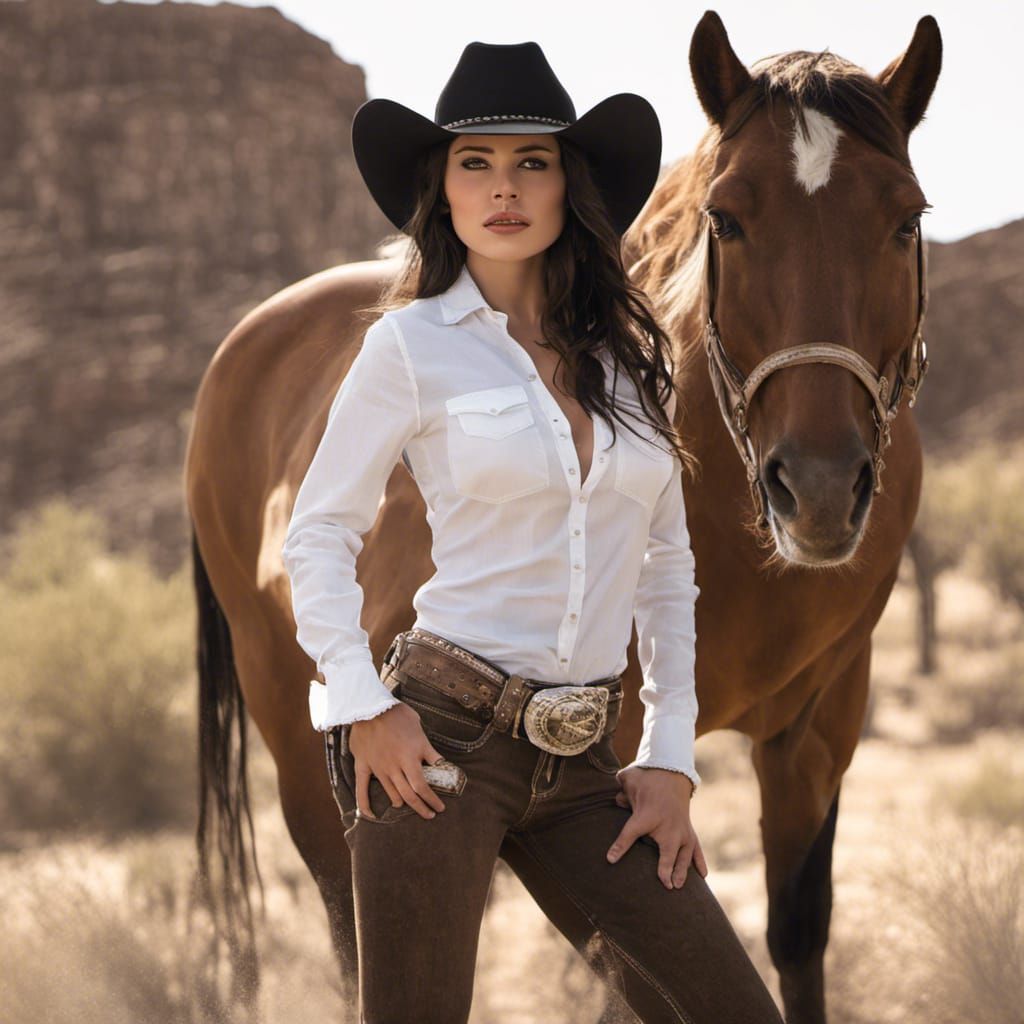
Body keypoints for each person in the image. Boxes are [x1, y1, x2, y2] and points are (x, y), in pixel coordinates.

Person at [281, 40, 784, 1024]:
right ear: (443, 187)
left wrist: (671, 754)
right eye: (475, 162)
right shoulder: (409, 347)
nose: (501, 187)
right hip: (436, 745)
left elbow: (667, 571)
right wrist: (360, 703)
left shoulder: (629, 359)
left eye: (530, 161)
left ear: (569, 185)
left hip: (588, 761)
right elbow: (318, 534)